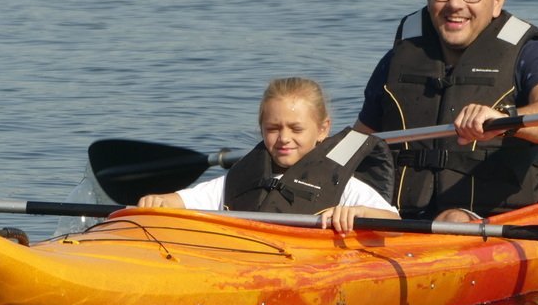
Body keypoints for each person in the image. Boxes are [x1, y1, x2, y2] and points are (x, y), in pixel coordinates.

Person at [354, 0, 538, 222]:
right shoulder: (399, 58)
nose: (455, 4)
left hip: (488, 218)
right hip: (400, 216)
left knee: (452, 218)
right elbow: (361, 140)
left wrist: (504, 121)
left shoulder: (528, 52)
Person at [139, 77, 399, 234]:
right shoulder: (240, 179)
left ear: (323, 129)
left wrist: (359, 212)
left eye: (296, 129)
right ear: (261, 127)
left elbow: (395, 221)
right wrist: (158, 200)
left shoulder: (343, 185)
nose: (284, 138)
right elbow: (182, 201)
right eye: (273, 129)